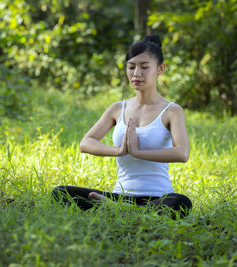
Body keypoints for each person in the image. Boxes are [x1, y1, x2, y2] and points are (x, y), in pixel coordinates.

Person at [51, 35, 192, 218]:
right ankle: (124, 209)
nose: (136, 73)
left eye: (144, 67)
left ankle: (119, 211)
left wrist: (137, 152)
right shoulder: (118, 108)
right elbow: (86, 143)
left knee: (180, 202)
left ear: (160, 69)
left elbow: (182, 153)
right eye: (131, 66)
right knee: (61, 192)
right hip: (119, 196)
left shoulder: (172, 111)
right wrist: (119, 151)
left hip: (158, 198)